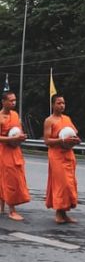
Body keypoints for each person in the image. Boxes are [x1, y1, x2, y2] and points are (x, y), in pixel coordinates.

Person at [43, 94, 81, 224]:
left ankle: (65, 213)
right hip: (56, 155)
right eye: (59, 103)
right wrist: (62, 140)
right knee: (61, 184)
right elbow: (47, 141)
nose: (62, 105)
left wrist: (76, 140)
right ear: (53, 105)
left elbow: (74, 135)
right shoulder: (49, 121)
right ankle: (59, 212)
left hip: (68, 155)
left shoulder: (67, 119)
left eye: (63, 103)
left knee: (69, 184)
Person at [0, 91, 30, 221]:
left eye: (15, 100)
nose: (13, 103)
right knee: (9, 180)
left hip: (15, 151)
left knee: (11, 179)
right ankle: (11, 210)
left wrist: (21, 137)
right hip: (4, 151)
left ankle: (3, 207)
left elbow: (18, 130)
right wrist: (10, 139)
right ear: (3, 102)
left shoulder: (15, 115)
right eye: (11, 100)